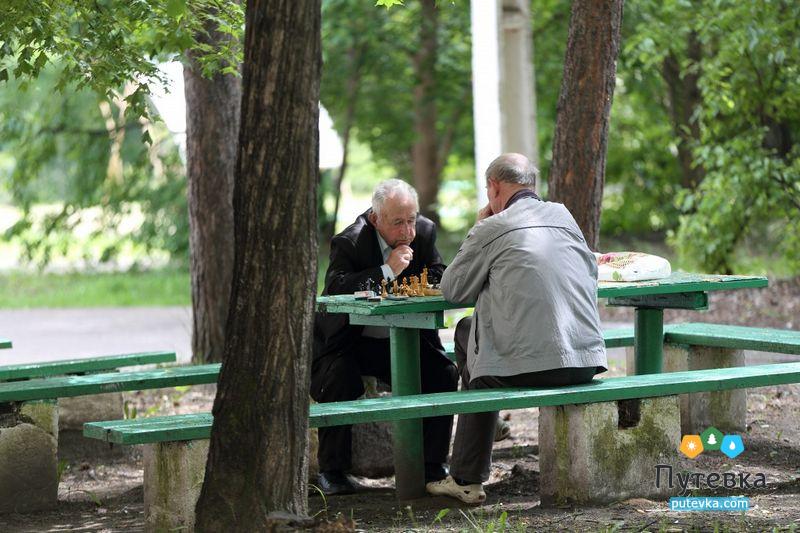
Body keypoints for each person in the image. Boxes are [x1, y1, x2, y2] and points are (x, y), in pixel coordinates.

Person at [426, 153, 608, 504]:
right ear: (530, 186)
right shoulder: (564, 216)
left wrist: (476, 230)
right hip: (585, 363)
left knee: (470, 340)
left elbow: (452, 289)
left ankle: (466, 476)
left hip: (530, 368)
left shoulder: (493, 226)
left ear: (494, 187)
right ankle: (487, 428)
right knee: (469, 332)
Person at [312, 179, 458, 495]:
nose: (408, 231)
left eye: (411, 220)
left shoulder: (425, 231)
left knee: (443, 373)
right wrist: (386, 271)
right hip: (350, 340)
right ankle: (332, 472)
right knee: (339, 378)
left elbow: (437, 272)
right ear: (377, 220)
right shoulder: (350, 241)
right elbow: (335, 287)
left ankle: (431, 467)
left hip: (403, 337)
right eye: (398, 223)